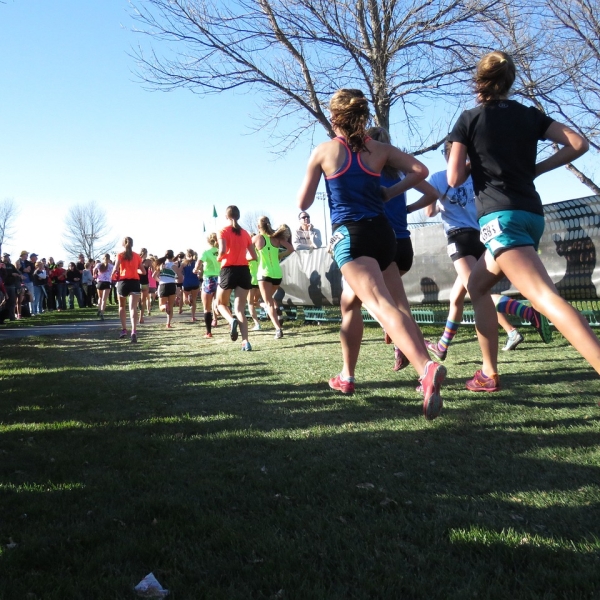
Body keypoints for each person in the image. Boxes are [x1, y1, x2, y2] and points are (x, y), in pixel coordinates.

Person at [447, 50, 598, 391]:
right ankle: (488, 373)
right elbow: (578, 143)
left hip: (501, 219)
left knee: (545, 299)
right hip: (529, 214)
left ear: (480, 82)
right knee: (477, 286)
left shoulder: (469, 118)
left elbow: (455, 177)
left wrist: (474, 160)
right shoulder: (530, 115)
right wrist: (538, 168)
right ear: (509, 82)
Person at [297, 88, 446, 419]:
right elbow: (420, 171)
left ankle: (425, 368)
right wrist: (389, 192)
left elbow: (303, 203)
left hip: (352, 237)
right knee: (353, 303)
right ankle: (347, 376)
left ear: (334, 117)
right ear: (362, 116)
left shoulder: (324, 151)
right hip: (384, 237)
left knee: (381, 306)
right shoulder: (378, 149)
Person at [422, 139, 550, 360]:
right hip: (482, 236)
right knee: (457, 297)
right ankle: (443, 345)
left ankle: (529, 313)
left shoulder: (439, 178)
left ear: (447, 155)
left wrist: (439, 201)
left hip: (458, 239)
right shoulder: (478, 176)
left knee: (478, 292)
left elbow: (429, 212)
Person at [365, 126, 439, 371]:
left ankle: (425, 366)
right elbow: (432, 193)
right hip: (404, 245)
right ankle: (396, 335)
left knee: (399, 310)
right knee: (362, 298)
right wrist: (407, 209)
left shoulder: (368, 172)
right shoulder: (399, 173)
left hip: (387, 245)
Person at [216, 205, 257, 351]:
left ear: (226, 216)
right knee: (240, 308)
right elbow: (253, 256)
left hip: (228, 270)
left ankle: (230, 320)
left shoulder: (222, 231)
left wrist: (220, 258)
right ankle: (245, 342)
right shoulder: (246, 233)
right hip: (244, 271)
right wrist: (241, 258)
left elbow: (221, 250)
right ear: (238, 216)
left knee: (220, 304)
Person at [253, 216, 294, 338]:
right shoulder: (275, 238)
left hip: (264, 274)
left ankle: (278, 329)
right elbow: (291, 249)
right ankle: (277, 314)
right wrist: (280, 255)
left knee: (268, 302)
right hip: (277, 274)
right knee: (269, 300)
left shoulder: (257, 238)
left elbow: (246, 250)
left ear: (258, 226)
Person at [112, 236, 145, 342]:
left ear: (123, 244)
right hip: (135, 282)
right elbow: (143, 272)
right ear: (132, 244)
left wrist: (112, 276)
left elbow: (115, 268)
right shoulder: (137, 256)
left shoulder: (120, 255)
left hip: (123, 282)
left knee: (122, 306)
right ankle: (134, 331)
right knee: (133, 308)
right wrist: (136, 271)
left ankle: (124, 329)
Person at [197, 233, 220, 338]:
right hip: (221, 278)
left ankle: (209, 332)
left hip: (209, 279)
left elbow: (199, 262)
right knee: (222, 303)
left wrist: (195, 269)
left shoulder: (206, 252)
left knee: (207, 308)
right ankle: (229, 323)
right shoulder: (221, 251)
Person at [154, 250, 183, 329]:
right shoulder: (174, 265)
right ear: (172, 256)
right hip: (172, 285)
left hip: (163, 285)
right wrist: (177, 281)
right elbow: (180, 276)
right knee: (171, 306)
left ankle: (164, 306)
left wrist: (160, 280)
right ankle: (168, 324)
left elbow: (154, 276)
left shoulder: (161, 265)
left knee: (161, 306)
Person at [181, 249, 201, 322]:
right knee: (194, 300)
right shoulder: (196, 263)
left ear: (186, 255)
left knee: (185, 301)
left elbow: (179, 272)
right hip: (195, 282)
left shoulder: (184, 263)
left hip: (186, 282)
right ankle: (193, 317)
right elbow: (200, 273)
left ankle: (188, 300)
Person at [94, 254, 114, 320]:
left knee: (100, 297)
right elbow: (115, 271)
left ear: (103, 258)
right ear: (109, 259)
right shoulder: (111, 266)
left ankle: (99, 309)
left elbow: (94, 269)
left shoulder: (99, 265)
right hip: (107, 282)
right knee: (104, 299)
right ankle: (102, 313)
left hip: (100, 282)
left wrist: (95, 275)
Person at [138, 248, 152, 323]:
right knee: (143, 300)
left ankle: (138, 302)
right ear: (146, 253)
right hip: (145, 282)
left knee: (138, 299)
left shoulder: (137, 260)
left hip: (137, 282)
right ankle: (141, 318)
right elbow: (153, 270)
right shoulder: (148, 262)